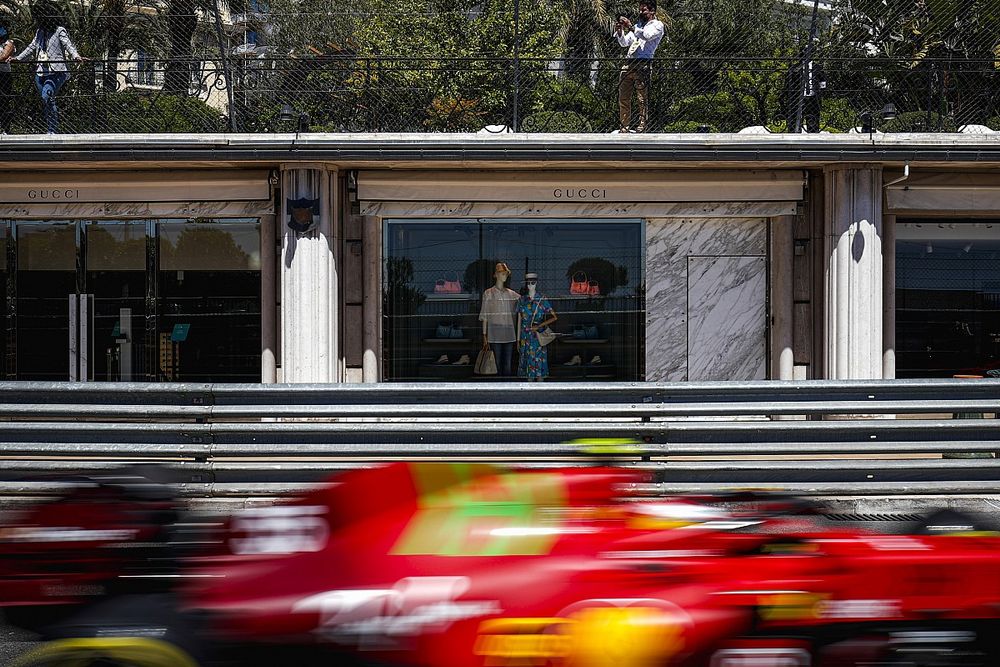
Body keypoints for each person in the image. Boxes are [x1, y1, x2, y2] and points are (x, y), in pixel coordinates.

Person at [13, 1, 84, 134]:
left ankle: (52, 130)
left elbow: (68, 45)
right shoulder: (40, 32)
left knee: (47, 96)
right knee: (47, 101)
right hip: (41, 72)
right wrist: (18, 58)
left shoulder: (59, 31)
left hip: (57, 72)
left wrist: (76, 56)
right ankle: (50, 128)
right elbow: (31, 46)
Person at [615, 0, 664, 134]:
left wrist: (631, 26)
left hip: (643, 64)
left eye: (644, 10)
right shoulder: (638, 26)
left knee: (641, 98)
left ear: (652, 11)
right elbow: (625, 43)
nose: (641, 12)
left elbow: (646, 36)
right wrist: (620, 32)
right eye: (640, 10)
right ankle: (624, 127)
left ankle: (642, 126)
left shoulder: (657, 25)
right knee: (623, 97)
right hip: (628, 63)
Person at [479, 262, 519, 377]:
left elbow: (525, 301)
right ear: (496, 275)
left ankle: (507, 388)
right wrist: (484, 335)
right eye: (502, 273)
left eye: (506, 273)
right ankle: (497, 387)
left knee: (507, 364)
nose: (504, 276)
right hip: (495, 331)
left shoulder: (511, 294)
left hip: (509, 331)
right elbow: (485, 314)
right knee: (495, 363)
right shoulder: (488, 293)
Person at [517, 272, 557, 382]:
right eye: (528, 283)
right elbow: (519, 320)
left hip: (538, 336)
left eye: (533, 282)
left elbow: (554, 317)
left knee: (539, 365)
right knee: (528, 365)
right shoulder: (522, 300)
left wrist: (539, 325)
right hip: (525, 336)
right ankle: (529, 393)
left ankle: (540, 393)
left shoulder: (542, 299)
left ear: (536, 283)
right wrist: (518, 339)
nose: (530, 285)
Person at [0, 27, 13, 134]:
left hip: (3, 75)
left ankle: (5, 128)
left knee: (4, 101)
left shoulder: (8, 43)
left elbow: (4, 56)